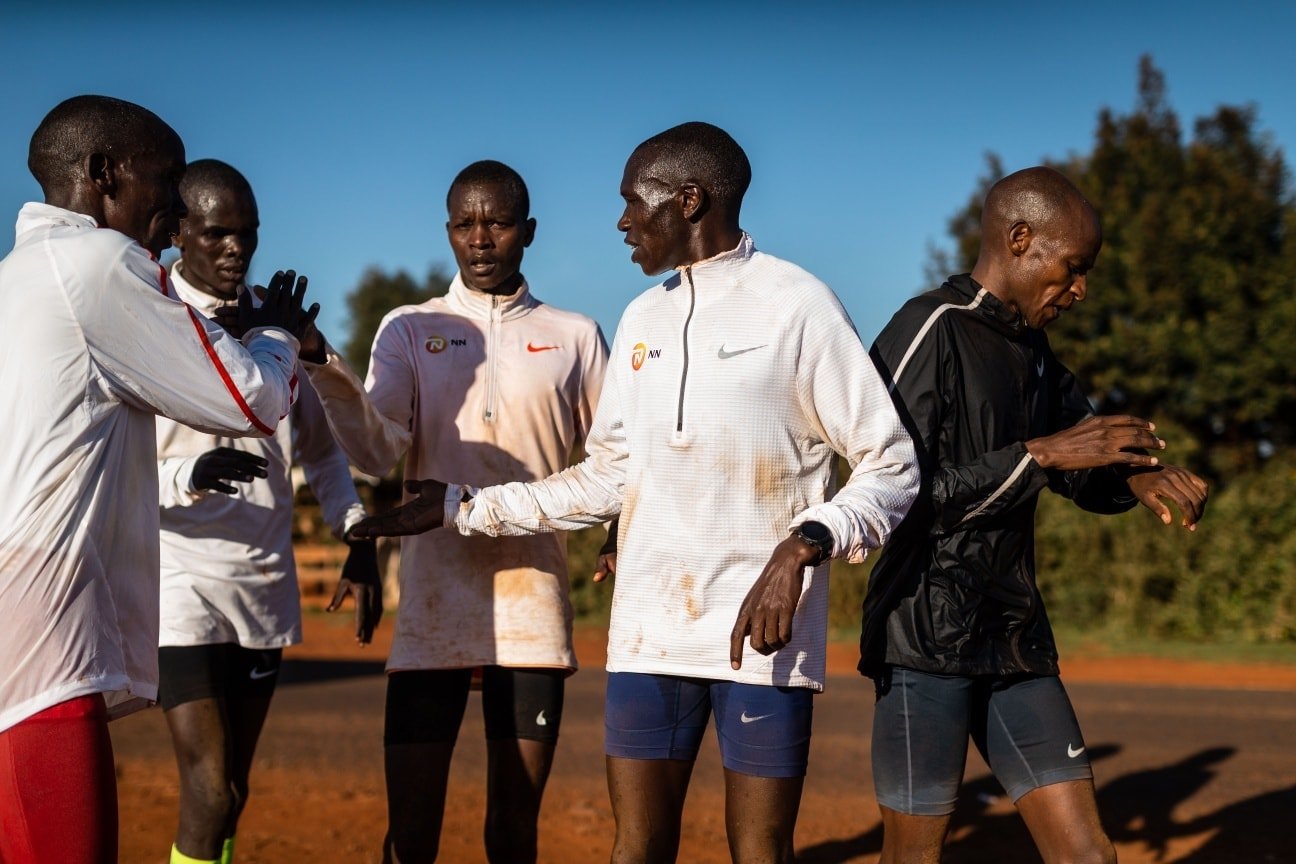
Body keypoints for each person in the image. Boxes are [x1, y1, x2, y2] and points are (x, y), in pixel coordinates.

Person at [351, 122, 920, 864]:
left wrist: (808, 541)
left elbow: (891, 463)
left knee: (759, 853)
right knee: (636, 851)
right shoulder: (642, 317)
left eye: (633, 202)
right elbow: (609, 476)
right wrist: (467, 505)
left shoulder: (797, 304)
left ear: (687, 200)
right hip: (649, 636)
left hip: (760, 640)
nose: (621, 221)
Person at [861, 166, 1210, 864]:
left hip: (1013, 636)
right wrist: (1040, 455)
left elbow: (1082, 461)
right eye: (1073, 269)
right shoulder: (928, 328)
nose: (1080, 291)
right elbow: (887, 495)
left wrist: (1131, 481)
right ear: (1020, 239)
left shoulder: (1035, 352)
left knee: (1089, 856)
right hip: (923, 640)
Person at [0, 95, 316, 863]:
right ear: (103, 174)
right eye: (165, 181)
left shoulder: (16, 277)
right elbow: (251, 398)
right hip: (48, 637)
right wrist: (279, 333)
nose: (174, 207)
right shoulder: (98, 263)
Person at [301, 160, 609, 862]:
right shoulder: (409, 329)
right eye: (465, 224)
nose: (480, 238)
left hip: (531, 603)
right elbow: (378, 453)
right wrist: (323, 362)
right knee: (410, 835)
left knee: (513, 830)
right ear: (448, 230)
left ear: (527, 231)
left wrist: (620, 530)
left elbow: (611, 464)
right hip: (433, 608)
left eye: (497, 222)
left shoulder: (576, 335)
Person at [154, 159, 381, 864]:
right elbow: (110, 461)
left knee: (235, 791)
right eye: (218, 234)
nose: (236, 250)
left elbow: (323, 450)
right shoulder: (148, 313)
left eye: (248, 235)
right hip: (175, 578)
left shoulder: (271, 323)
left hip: (262, 581)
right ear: (179, 233)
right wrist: (187, 471)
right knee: (211, 790)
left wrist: (355, 531)